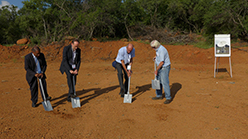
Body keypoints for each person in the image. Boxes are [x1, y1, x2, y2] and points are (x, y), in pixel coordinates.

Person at [150, 40, 172, 104]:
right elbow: (159, 56)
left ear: (157, 46)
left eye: (153, 47)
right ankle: (159, 95)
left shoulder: (162, 50)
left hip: (164, 68)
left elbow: (162, 62)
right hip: (160, 67)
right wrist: (156, 57)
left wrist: (156, 70)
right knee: (158, 81)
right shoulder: (158, 49)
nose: (153, 48)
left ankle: (168, 97)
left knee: (164, 82)